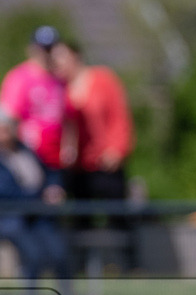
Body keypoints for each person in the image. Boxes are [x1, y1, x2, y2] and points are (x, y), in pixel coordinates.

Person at [51, 40, 137, 269]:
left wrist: (118, 149)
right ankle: (79, 268)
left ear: (76, 56)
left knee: (118, 217)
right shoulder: (58, 88)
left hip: (106, 164)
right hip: (77, 167)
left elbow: (120, 116)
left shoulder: (102, 79)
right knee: (80, 220)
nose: (57, 62)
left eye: (62, 57)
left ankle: (128, 267)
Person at [0, 104, 70, 282]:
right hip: (10, 218)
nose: (8, 132)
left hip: (37, 216)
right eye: (3, 128)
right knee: (34, 255)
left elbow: (46, 172)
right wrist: (38, 197)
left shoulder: (24, 149)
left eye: (10, 127)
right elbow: (0, 189)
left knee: (60, 254)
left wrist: (53, 187)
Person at [0, 26, 69, 175]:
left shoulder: (60, 79)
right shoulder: (19, 78)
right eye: (44, 49)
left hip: (58, 157)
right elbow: (7, 117)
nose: (47, 54)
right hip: (30, 154)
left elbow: (68, 118)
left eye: (51, 49)